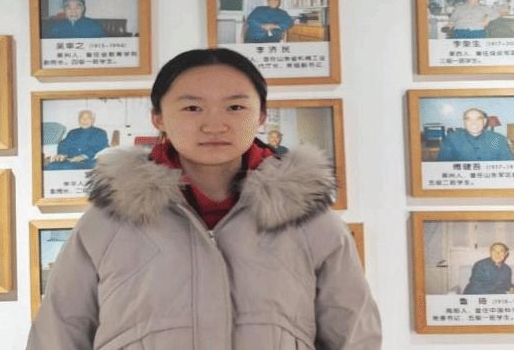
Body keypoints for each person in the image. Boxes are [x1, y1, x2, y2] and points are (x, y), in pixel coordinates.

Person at [27, 48, 381, 350]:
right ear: (158, 118)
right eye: (192, 108)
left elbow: (355, 335)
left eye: (235, 107)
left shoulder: (310, 221)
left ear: (260, 116)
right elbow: (58, 333)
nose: (214, 125)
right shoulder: (109, 221)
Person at [436, 108, 514, 162]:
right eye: (468, 119)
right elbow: (442, 166)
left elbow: (508, 163)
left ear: (485, 121)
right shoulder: (452, 140)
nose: (473, 123)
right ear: (464, 122)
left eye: (478, 119)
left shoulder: (497, 139)